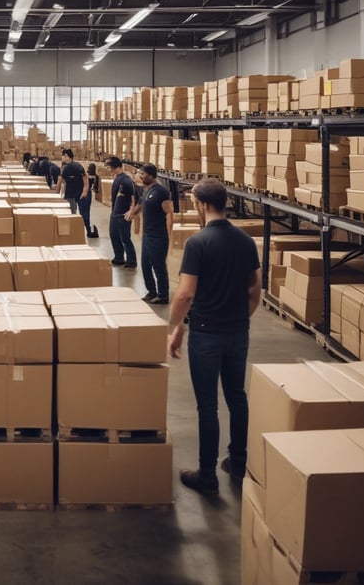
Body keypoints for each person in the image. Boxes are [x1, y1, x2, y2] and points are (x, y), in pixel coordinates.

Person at [167, 178, 261, 496]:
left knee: (207, 405)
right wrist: (237, 321)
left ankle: (207, 475)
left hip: (206, 335)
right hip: (238, 332)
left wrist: (174, 327)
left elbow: (185, 295)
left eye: (194, 201)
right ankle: (238, 461)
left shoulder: (198, 243)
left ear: (204, 205)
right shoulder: (246, 242)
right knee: (237, 397)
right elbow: (254, 292)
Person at [138, 163, 174, 305]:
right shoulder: (146, 190)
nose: (141, 176)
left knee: (158, 265)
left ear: (152, 176)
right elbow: (142, 208)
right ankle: (151, 291)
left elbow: (169, 214)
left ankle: (163, 295)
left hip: (158, 236)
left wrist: (169, 234)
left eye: (144, 174)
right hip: (148, 235)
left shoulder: (161, 192)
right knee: (145, 265)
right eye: (141, 174)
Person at [104, 157, 139, 268]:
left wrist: (131, 211)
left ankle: (131, 260)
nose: (108, 169)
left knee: (125, 238)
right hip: (115, 213)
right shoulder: (117, 178)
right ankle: (119, 258)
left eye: (109, 167)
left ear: (115, 167)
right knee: (114, 235)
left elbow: (135, 197)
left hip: (123, 215)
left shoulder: (126, 181)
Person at [57, 149, 90, 235]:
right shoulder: (73, 166)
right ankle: (79, 231)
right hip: (73, 193)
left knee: (80, 213)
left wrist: (85, 190)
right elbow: (61, 181)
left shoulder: (71, 167)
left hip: (78, 193)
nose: (62, 158)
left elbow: (59, 182)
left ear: (66, 156)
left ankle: (84, 231)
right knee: (75, 212)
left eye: (63, 156)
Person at [84, 162, 100, 238]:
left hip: (84, 191)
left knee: (83, 211)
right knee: (87, 211)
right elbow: (96, 187)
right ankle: (88, 229)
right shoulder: (96, 176)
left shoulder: (85, 175)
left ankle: (87, 228)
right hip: (89, 192)